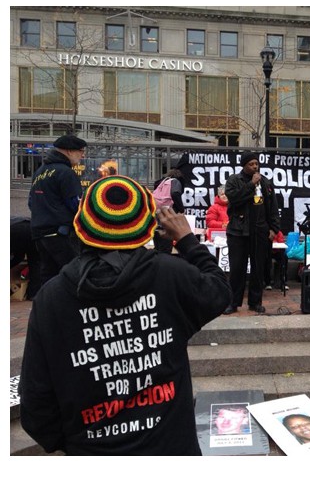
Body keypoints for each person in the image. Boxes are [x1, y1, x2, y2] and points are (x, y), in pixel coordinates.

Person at [19, 175, 232, 455]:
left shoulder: (52, 297)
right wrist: (187, 240)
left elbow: (36, 403)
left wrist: (75, 443)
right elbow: (218, 290)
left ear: (81, 225)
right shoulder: (170, 276)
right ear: (147, 226)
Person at [224, 152, 280, 314]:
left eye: (256, 163)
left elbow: (273, 208)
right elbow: (234, 198)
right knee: (237, 269)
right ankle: (233, 303)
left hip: (260, 232)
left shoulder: (265, 183)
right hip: (238, 232)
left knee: (258, 269)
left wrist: (273, 229)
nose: (255, 166)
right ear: (244, 166)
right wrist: (250, 185)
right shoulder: (234, 181)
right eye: (251, 164)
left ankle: (255, 302)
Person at [28, 134, 86, 286]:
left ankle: (47, 307)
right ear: (69, 151)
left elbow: (31, 202)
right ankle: (74, 308)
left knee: (49, 275)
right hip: (60, 234)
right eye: (80, 151)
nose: (83, 154)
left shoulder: (40, 172)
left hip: (39, 233)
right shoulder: (66, 173)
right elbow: (75, 205)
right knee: (74, 273)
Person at [152, 168, 186, 253]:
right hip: (167, 213)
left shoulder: (162, 182)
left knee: (158, 246)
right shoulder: (175, 181)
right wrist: (181, 209)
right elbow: (175, 193)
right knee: (166, 247)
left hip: (157, 214)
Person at [10, 215, 42, 300]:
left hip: (15, 230)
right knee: (35, 262)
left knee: (31, 260)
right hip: (31, 229)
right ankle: (34, 294)